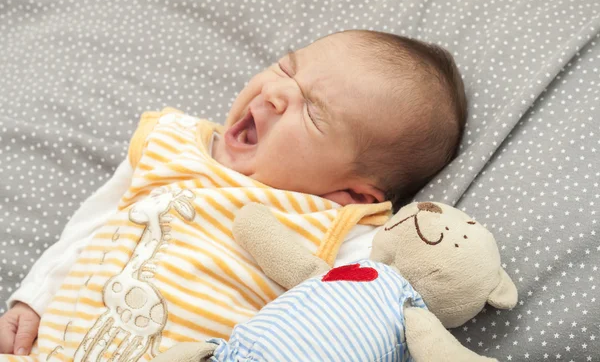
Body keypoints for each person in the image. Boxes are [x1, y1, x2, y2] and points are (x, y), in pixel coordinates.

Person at [0, 30, 466, 359]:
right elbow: (91, 225)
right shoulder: (176, 145)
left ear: (353, 194)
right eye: (287, 67)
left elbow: (369, 303)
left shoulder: (340, 225)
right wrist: (34, 298)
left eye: (316, 115)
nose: (278, 93)